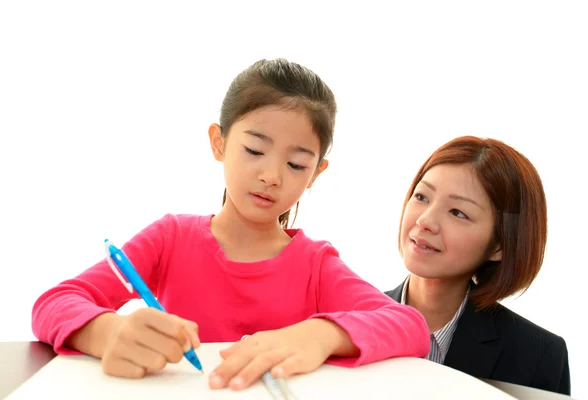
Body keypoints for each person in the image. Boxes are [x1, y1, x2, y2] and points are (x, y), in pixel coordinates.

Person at [32, 58, 430, 391]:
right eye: (255, 150)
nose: (272, 175)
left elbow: (409, 326)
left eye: (296, 165)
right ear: (219, 142)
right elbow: (53, 303)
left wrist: (321, 336)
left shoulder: (314, 264)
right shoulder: (171, 238)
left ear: (316, 174)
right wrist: (106, 333)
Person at [384, 136, 570, 395]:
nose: (425, 220)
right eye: (422, 197)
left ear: (500, 246)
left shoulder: (536, 356)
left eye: (457, 212)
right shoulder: (344, 319)